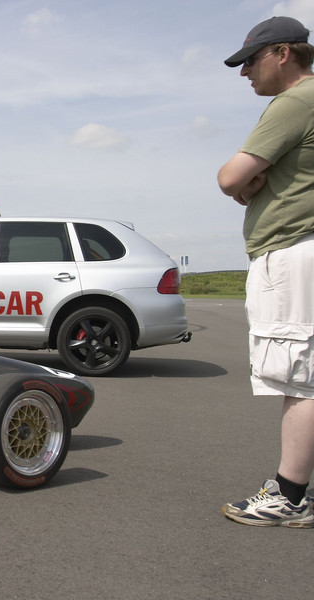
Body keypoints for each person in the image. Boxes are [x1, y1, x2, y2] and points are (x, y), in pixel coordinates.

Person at [217, 15, 314, 528]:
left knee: (299, 377)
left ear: (283, 53)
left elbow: (230, 177)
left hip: (292, 249)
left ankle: (291, 496)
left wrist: (243, 182)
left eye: (250, 60)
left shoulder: (296, 100)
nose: (244, 72)